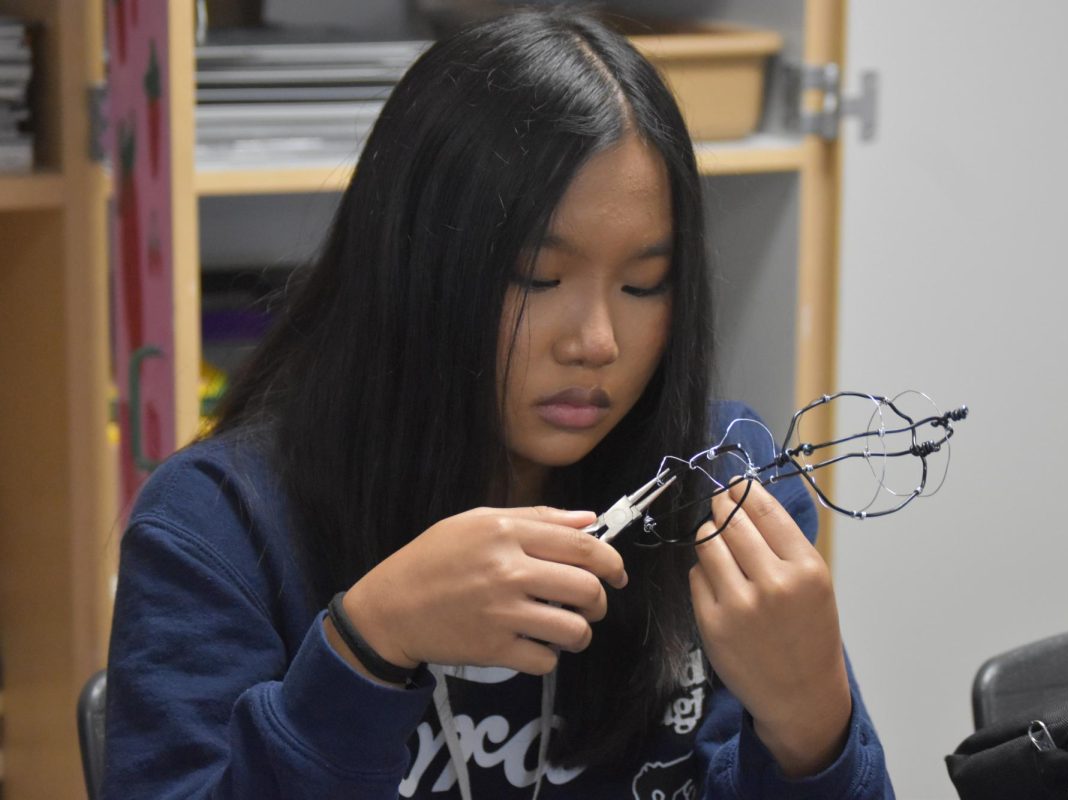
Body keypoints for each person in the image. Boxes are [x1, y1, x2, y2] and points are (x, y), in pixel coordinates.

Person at [104, 9, 893, 799]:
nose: (596, 341)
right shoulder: (218, 529)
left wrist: (812, 726)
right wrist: (367, 646)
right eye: (538, 278)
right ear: (413, 268)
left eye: (644, 283)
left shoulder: (723, 489)